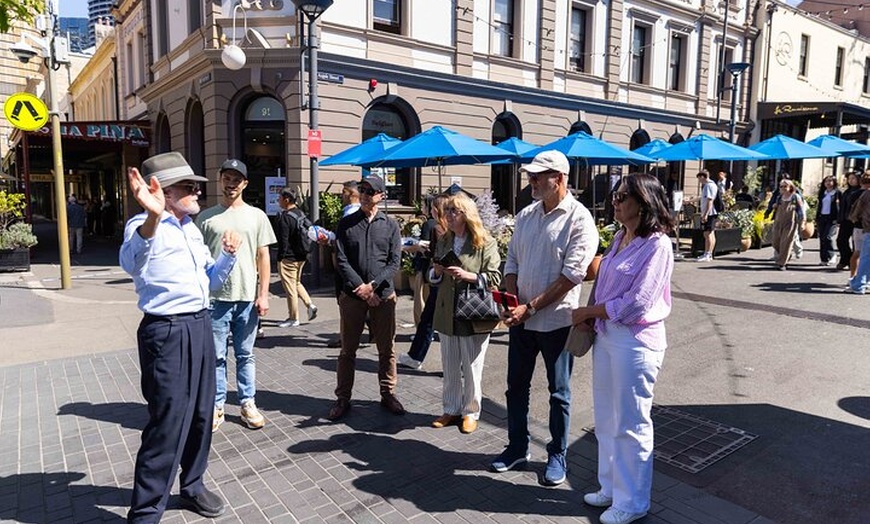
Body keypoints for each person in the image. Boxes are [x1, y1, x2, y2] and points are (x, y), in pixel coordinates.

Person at [120, 152, 240, 522]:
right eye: (189, 188)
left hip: (200, 325)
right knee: (168, 421)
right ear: (163, 192)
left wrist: (228, 258)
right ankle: (145, 512)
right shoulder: (143, 225)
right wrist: (153, 217)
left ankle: (192, 487)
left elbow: (210, 282)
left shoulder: (190, 227)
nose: (197, 193)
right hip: (166, 331)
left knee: (203, 414)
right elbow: (129, 261)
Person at [572, 174, 675, 524]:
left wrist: (589, 311)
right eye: (615, 195)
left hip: (636, 340)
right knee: (606, 418)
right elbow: (603, 285)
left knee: (631, 423)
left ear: (643, 202)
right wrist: (591, 313)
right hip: (606, 336)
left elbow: (638, 304)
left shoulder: (658, 245)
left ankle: (632, 502)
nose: (615, 201)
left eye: (623, 196)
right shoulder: (618, 238)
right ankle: (611, 487)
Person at [494, 150, 598, 487]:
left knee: (559, 393)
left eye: (539, 175)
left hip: (557, 323)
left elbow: (571, 277)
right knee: (515, 388)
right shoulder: (526, 215)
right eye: (530, 175)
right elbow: (511, 263)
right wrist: (512, 301)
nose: (532, 181)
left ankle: (557, 453)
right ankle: (517, 447)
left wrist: (530, 307)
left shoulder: (579, 219)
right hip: (523, 320)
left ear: (561, 178)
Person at [196, 159, 277, 432]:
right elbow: (196, 259)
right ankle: (218, 404)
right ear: (220, 179)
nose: (231, 184)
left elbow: (263, 256)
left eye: (236, 179)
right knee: (216, 356)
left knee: (245, 354)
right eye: (227, 178)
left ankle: (247, 403)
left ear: (245, 183)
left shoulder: (257, 216)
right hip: (215, 299)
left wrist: (263, 294)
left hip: (246, 299)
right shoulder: (205, 217)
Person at [327, 175, 405, 420]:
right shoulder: (347, 224)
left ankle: (388, 393)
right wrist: (360, 286)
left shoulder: (390, 225)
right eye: (362, 189)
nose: (364, 194)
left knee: (386, 349)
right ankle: (343, 398)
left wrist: (373, 286)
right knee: (347, 350)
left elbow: (394, 263)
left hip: (383, 295)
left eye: (370, 191)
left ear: (381, 196)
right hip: (353, 295)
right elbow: (341, 260)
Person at [428, 193, 501, 434]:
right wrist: (437, 272)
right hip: (447, 312)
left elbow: (495, 277)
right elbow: (434, 276)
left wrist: (470, 276)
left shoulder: (484, 242)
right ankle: (451, 408)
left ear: (466, 214)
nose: (447, 215)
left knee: (471, 366)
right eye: (446, 210)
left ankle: (471, 412)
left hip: (473, 312)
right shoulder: (444, 240)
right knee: (449, 365)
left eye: (453, 211)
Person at [398, 193, 449, 370]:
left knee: (429, 319)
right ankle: (417, 356)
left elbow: (437, 255)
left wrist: (419, 248)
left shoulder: (435, 227)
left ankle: (416, 356)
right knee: (435, 321)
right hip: (446, 280)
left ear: (435, 210)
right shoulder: (449, 227)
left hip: (439, 279)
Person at [326, 181, 364, 348]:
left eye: (344, 192)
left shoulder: (351, 215)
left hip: (347, 268)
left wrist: (331, 240)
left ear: (352, 194)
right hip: (350, 266)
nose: (341, 196)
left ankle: (346, 338)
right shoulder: (351, 214)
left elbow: (347, 243)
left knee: (346, 302)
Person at [275, 187, 317, 328]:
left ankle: (293, 317)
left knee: (290, 288)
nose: (278, 200)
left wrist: (280, 258)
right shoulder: (300, 214)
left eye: (280, 197)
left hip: (288, 258)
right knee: (296, 283)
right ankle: (310, 305)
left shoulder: (285, 218)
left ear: (287, 199)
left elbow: (283, 241)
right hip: (302, 256)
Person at [771, 179, 805, 271]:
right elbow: (775, 208)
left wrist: (802, 222)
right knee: (775, 241)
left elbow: (801, 211)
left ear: (790, 187)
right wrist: (774, 206)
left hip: (790, 222)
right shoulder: (779, 197)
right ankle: (786, 255)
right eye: (781, 186)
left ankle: (782, 263)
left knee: (785, 243)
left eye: (785, 186)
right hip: (778, 222)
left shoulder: (795, 197)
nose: (783, 188)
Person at [846, 171, 870, 293]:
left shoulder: (863, 194)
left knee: (862, 255)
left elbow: (854, 212)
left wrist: (854, 219)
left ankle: (857, 282)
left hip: (864, 228)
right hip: (865, 228)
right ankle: (860, 282)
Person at [837, 172, 862, 271]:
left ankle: (854, 262)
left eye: (853, 178)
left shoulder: (861, 191)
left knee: (855, 243)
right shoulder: (847, 192)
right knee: (841, 240)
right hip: (845, 220)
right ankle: (845, 259)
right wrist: (840, 218)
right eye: (849, 178)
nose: (851, 180)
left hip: (856, 221)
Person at [816, 175, 842, 266]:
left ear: (834, 182)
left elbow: (840, 207)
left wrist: (839, 219)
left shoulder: (837, 193)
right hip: (822, 217)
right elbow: (819, 206)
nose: (828, 183)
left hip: (832, 218)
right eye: (826, 181)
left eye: (830, 181)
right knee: (822, 238)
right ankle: (824, 259)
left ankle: (832, 255)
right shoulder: (823, 193)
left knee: (828, 237)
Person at [695, 170, 718, 262]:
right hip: (712, 212)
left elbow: (709, 200)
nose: (699, 181)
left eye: (699, 178)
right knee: (710, 233)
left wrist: (705, 214)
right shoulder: (712, 185)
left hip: (710, 213)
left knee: (707, 233)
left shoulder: (708, 186)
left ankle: (707, 254)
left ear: (702, 177)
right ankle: (709, 253)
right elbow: (704, 198)